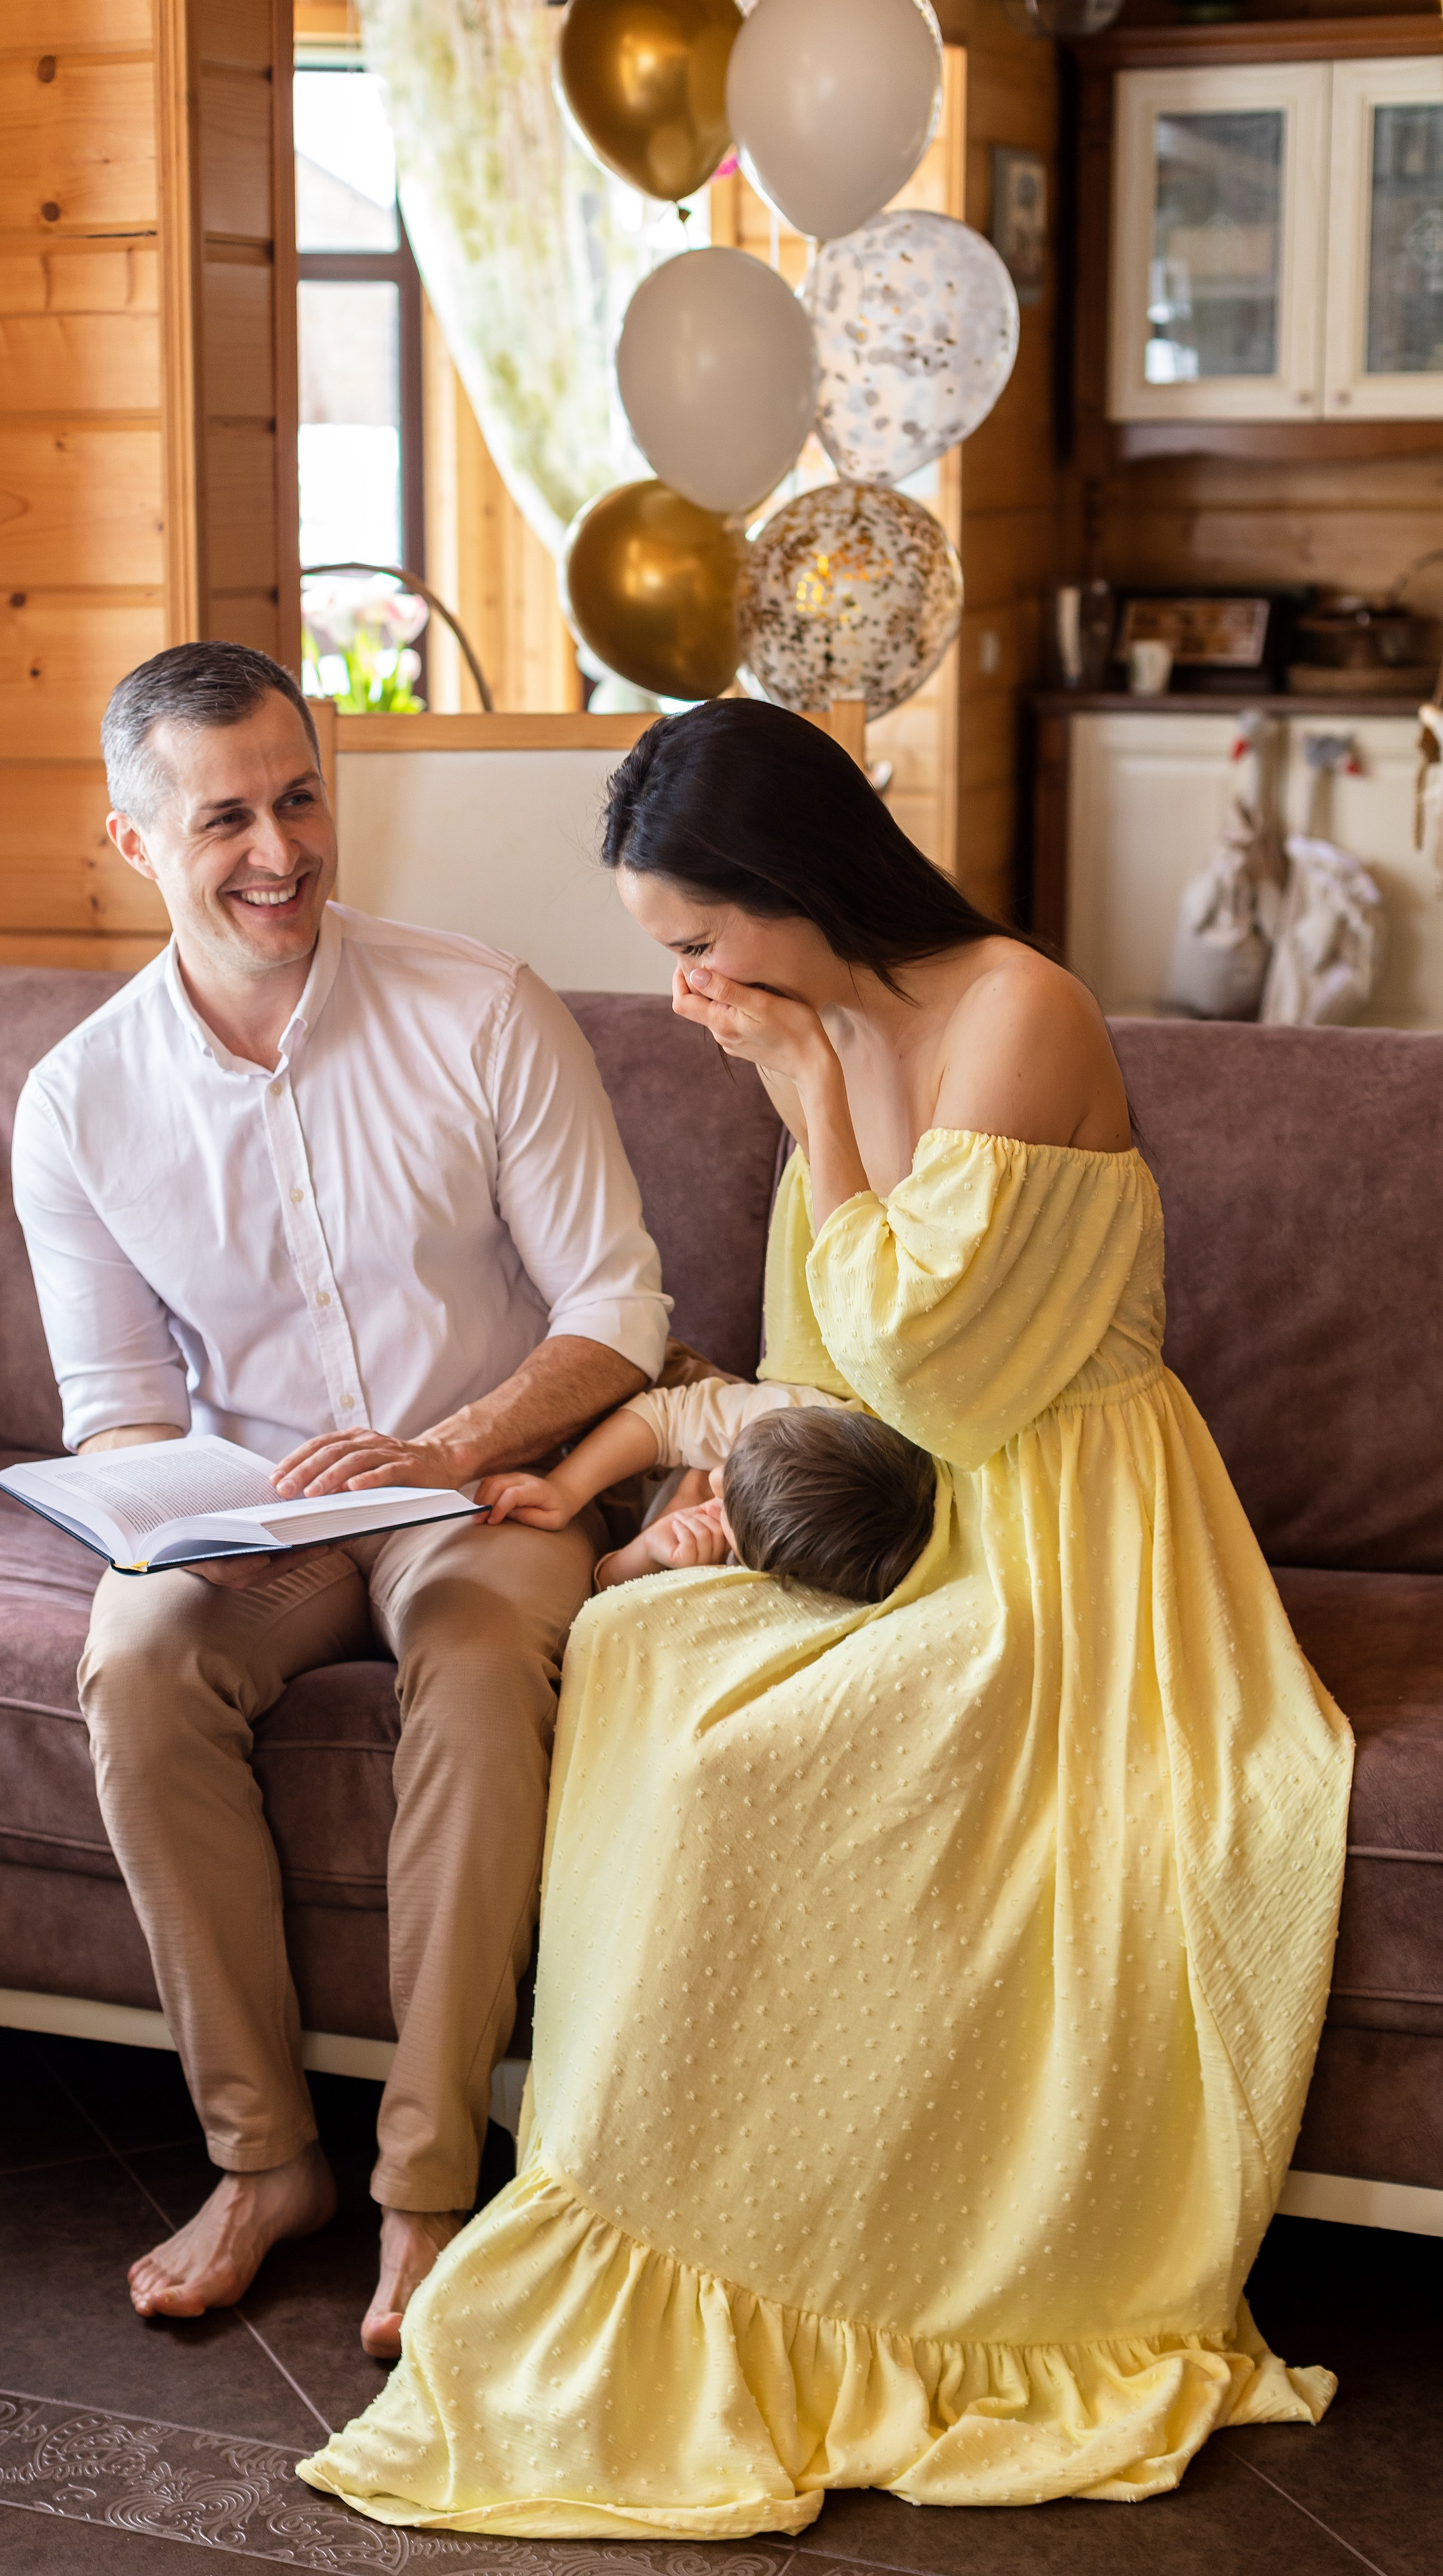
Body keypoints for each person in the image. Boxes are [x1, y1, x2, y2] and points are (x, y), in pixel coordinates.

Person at [301, 696, 1353, 2529]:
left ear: (790, 880)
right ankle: (618, 2202)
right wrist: (683, 1498)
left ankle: (831, 2265)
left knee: (767, 1766)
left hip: (1065, 1532)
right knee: (637, 1652)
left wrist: (808, 1092)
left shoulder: (1017, 1011)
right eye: (670, 953)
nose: (693, 986)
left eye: (701, 939)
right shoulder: (819, 1019)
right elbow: (825, 1363)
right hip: (901, 1505)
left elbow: (933, 1368)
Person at [10, 641, 670, 2357]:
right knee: (134, 1658)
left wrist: (445, 1452)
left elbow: (616, 1309)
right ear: (134, 841)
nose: (279, 850)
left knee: (477, 1654)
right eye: (224, 816)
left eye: (298, 798)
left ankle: (424, 2187)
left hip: (483, 1485)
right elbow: (118, 1409)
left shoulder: (482, 1007)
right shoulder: (78, 1099)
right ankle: (262, 2163)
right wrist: (175, 1515)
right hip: (259, 1513)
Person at [480, 1377, 937, 1605]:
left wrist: (649, 1549)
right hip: (655, 1431)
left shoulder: (767, 1580)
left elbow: (605, 1597)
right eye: (729, 1468)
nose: (715, 1479)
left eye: (726, 1504)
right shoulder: (791, 1418)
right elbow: (666, 1415)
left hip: (648, 1517)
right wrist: (564, 1488)